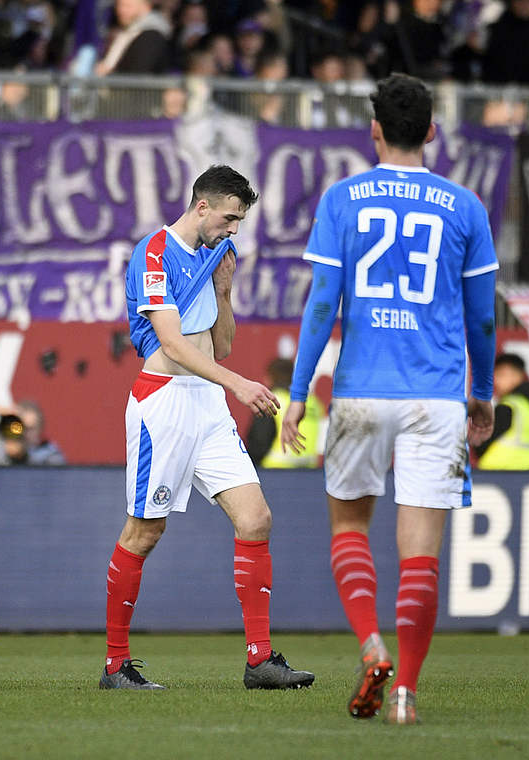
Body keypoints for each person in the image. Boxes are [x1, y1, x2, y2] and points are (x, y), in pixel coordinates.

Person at [281, 73, 498, 724]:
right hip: (435, 397)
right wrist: (481, 393)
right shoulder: (465, 207)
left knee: (349, 528)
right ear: (432, 131)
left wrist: (298, 393)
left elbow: (324, 303)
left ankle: (370, 645)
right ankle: (404, 692)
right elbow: (483, 318)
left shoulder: (342, 200)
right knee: (420, 554)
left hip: (358, 391)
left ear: (374, 129)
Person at [102, 165, 314, 691]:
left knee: (256, 518)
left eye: (240, 221)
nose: (234, 229)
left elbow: (221, 346)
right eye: (230, 218)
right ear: (202, 206)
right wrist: (240, 385)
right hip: (164, 403)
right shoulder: (153, 253)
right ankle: (114, 665)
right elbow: (172, 344)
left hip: (208, 402)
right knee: (145, 531)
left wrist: (224, 294)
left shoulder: (218, 255)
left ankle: (260, 659)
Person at [246, 357, 323, 468]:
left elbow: (259, 442)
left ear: (270, 378)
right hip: (309, 472)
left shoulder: (271, 401)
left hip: (274, 472)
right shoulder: (313, 402)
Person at [474, 353, 529, 470]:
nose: (495, 381)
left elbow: (480, 444)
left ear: (516, 377)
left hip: (497, 472)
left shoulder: (507, 408)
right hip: (527, 472)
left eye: (501, 375)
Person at [0, 401, 66, 466]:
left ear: (40, 429)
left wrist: (23, 456)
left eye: (30, 428)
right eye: (21, 427)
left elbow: (56, 480)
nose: (24, 433)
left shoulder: (48, 453)